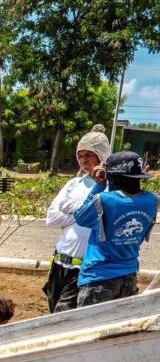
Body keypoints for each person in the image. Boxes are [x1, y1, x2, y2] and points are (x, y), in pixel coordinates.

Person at [58, 151, 157, 362]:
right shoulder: (151, 201)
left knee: (89, 343)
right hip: (129, 278)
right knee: (120, 341)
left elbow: (81, 217)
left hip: (98, 278)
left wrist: (99, 184)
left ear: (113, 176)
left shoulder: (105, 199)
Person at [43, 124, 111, 312]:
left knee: (62, 317)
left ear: (101, 156)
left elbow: (102, 217)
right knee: (52, 311)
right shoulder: (73, 184)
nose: (83, 160)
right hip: (58, 263)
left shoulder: (109, 188)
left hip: (83, 269)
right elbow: (51, 218)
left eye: (88, 155)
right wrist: (82, 214)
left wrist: (73, 210)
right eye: (80, 156)